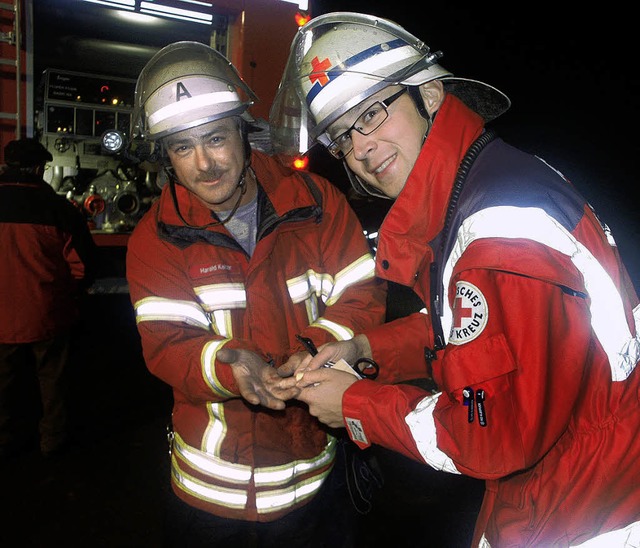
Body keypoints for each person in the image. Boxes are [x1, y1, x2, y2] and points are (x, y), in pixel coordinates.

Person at [270, 12, 640, 547]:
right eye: (344, 136)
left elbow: (485, 425)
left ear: (433, 95)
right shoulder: (492, 180)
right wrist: (365, 347)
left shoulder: (492, 235)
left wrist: (358, 405)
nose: (362, 149)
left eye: (373, 113)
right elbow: (476, 333)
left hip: (579, 516)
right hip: (582, 481)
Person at [125, 41, 404, 547]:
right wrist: (232, 362)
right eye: (182, 148)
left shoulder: (317, 204)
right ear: (166, 156)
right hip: (210, 499)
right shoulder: (157, 237)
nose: (205, 164)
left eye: (215, 138)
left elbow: (362, 295)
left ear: (242, 132)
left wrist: (313, 349)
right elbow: (167, 342)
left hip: (317, 481)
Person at [0, 138, 97, 460]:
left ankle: (5, 440)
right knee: (53, 381)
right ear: (40, 168)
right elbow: (83, 267)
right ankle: (52, 442)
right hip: (46, 312)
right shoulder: (59, 209)